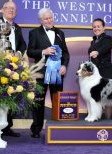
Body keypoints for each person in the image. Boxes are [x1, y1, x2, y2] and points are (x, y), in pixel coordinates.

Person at [0, 1, 26, 137]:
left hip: (13, 64)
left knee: (11, 93)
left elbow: (22, 44)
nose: (11, 11)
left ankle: (7, 127)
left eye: (13, 9)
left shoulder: (17, 28)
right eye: (8, 8)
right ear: (2, 9)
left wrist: (19, 53)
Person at [27, 8, 70, 138]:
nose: (49, 20)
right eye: (46, 18)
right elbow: (30, 52)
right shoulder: (34, 33)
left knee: (57, 101)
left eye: (50, 17)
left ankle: (59, 128)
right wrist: (43, 52)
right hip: (41, 72)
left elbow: (66, 53)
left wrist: (64, 65)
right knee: (38, 102)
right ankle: (36, 129)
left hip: (57, 72)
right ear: (41, 20)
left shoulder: (60, 33)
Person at [88, 18, 112, 119]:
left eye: (98, 26)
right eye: (94, 27)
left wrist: (97, 52)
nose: (96, 28)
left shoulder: (107, 38)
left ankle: (108, 125)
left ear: (104, 28)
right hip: (94, 74)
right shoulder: (93, 41)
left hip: (106, 71)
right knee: (95, 98)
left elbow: (106, 47)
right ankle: (95, 120)